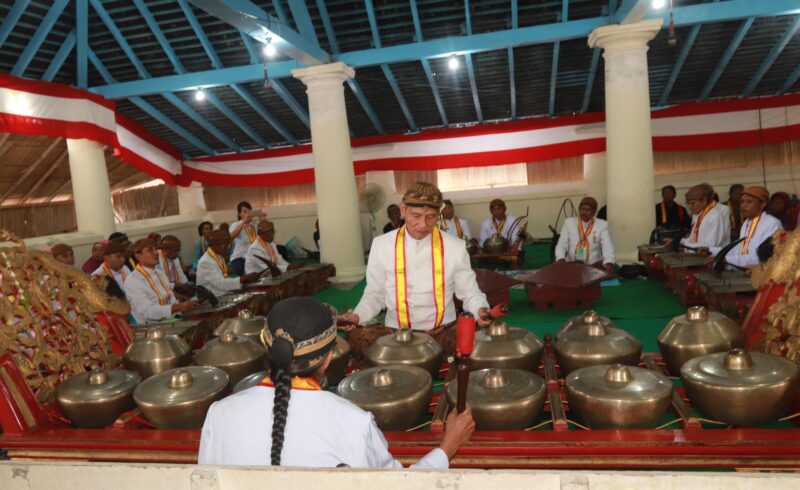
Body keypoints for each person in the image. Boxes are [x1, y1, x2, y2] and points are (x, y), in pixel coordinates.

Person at [199, 297, 475, 468]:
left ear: (265, 347)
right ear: (329, 357)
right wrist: (448, 445)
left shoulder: (219, 413)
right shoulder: (353, 423)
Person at [338, 182, 490, 358]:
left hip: (442, 333)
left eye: (431, 217)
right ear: (403, 211)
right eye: (416, 216)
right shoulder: (382, 245)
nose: (423, 225)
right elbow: (375, 294)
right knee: (356, 338)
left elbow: (470, 294)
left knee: (482, 335)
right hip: (396, 335)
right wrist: (357, 316)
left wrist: (481, 309)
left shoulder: (455, 246)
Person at [123, 239, 198, 324]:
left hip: (173, 320)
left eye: (156, 249)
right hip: (152, 328)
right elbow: (147, 311)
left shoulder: (159, 273)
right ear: (138, 256)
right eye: (150, 250)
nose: (156, 253)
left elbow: (170, 299)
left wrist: (183, 304)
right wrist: (177, 307)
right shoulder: (132, 281)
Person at [709, 186, 782, 269]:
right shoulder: (747, 223)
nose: (743, 206)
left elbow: (761, 258)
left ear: (762, 204)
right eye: (742, 202)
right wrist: (711, 251)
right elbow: (738, 250)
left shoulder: (772, 223)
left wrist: (726, 259)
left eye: (749, 202)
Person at [554, 197, 616, 273]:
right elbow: (561, 245)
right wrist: (560, 259)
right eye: (582, 209)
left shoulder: (602, 225)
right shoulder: (569, 223)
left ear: (594, 212)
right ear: (579, 209)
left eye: (588, 210)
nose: (584, 212)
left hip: (593, 266)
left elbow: (607, 246)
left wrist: (609, 263)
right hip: (572, 265)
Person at [670, 183, 730, 254]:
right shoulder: (699, 215)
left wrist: (684, 246)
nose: (690, 206)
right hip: (697, 256)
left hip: (711, 259)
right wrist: (676, 241)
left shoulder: (715, 216)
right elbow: (692, 240)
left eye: (693, 203)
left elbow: (708, 247)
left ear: (704, 200)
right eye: (688, 203)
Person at [197, 230, 260, 296]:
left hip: (222, 292)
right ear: (215, 246)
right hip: (213, 297)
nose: (228, 249)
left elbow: (224, 278)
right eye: (225, 246)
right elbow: (220, 282)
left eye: (229, 246)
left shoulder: (219, 255)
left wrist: (243, 281)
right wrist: (242, 279)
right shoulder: (205, 262)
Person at [230, 201, 265, 276]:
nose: (247, 213)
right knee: (241, 269)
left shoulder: (255, 224)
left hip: (255, 254)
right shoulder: (236, 224)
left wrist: (262, 219)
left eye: (249, 211)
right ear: (240, 214)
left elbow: (267, 233)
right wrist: (243, 222)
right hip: (240, 256)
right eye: (245, 211)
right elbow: (232, 236)